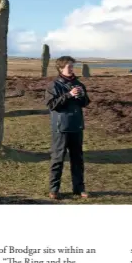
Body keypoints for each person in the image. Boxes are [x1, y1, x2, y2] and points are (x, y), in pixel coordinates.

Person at [44, 56, 91, 200]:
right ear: (60, 68)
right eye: (68, 66)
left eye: (72, 66)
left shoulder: (78, 84)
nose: (71, 69)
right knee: (58, 159)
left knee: (77, 159)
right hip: (61, 127)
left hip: (76, 126)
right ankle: (54, 189)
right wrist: (69, 95)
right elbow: (52, 105)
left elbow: (85, 103)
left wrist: (81, 96)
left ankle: (79, 188)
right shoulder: (54, 85)